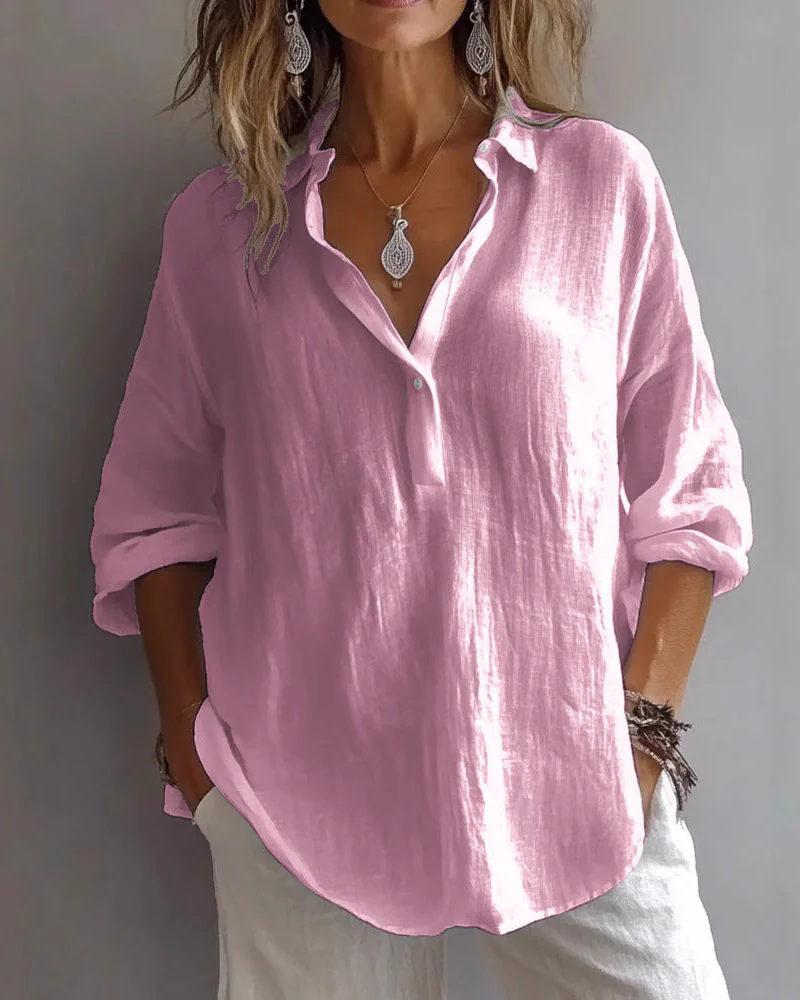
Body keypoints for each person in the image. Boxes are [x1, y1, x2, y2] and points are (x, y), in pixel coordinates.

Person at [89, 0, 754, 997]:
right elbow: (154, 511)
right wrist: (196, 753)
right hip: (298, 806)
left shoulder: (600, 185)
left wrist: (641, 733)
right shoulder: (223, 227)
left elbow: (691, 485)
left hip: (578, 776)